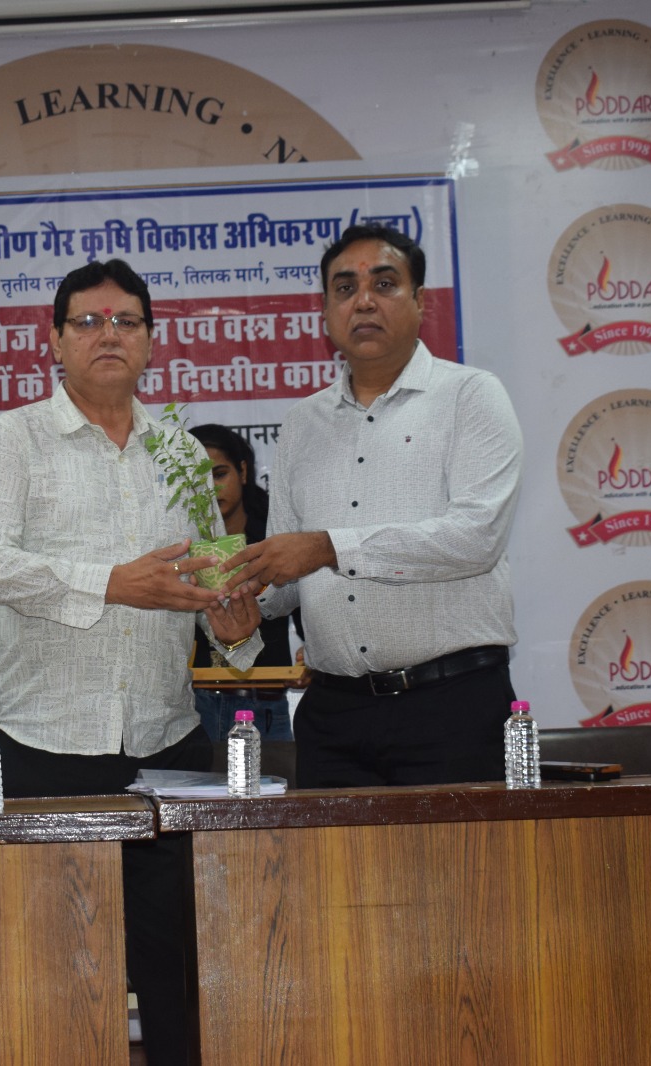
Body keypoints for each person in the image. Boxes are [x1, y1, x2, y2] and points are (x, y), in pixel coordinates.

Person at [0, 258, 263, 1066]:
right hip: (44, 746)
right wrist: (110, 583)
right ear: (55, 340)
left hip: (166, 742)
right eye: (88, 322)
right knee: (55, 972)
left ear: (152, 341)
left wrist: (235, 627)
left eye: (126, 321)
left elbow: (212, 585)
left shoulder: (182, 453)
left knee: (179, 970)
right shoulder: (15, 437)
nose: (108, 335)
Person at [224, 223, 522, 789]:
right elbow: (286, 581)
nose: (363, 301)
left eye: (384, 284)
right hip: (333, 715)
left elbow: (476, 538)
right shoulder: (301, 424)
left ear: (420, 301)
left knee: (460, 853)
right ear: (325, 312)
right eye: (344, 288)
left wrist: (327, 547)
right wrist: (247, 607)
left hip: (453, 706)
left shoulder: (471, 396)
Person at [187, 424, 300, 742]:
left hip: (264, 699)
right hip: (194, 703)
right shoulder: (181, 545)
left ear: (243, 471)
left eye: (219, 474)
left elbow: (304, 599)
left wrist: (314, 652)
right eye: (198, 479)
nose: (210, 489)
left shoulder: (273, 538)